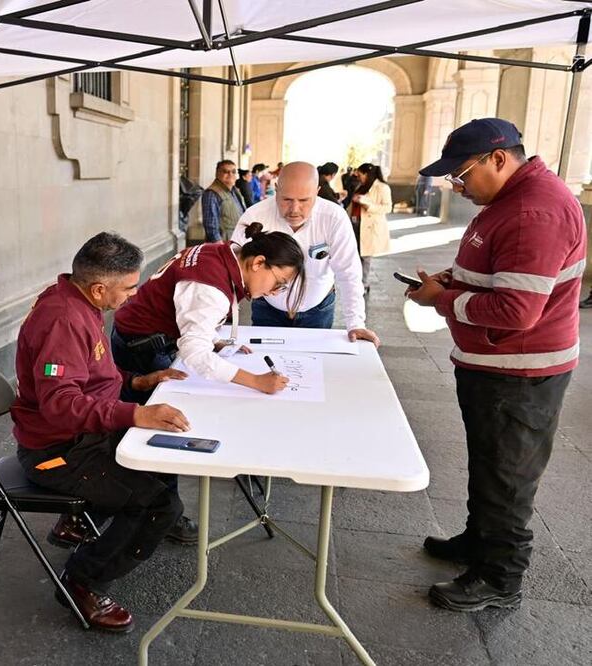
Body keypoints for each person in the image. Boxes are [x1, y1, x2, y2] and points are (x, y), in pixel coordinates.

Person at [407, 118, 585, 612]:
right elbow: (496, 272)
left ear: (499, 159)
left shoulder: (535, 212)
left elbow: (516, 311)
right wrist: (450, 279)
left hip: (521, 373)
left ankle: (500, 576)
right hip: (495, 367)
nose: (457, 187)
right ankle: (479, 541)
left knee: (507, 474)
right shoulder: (508, 200)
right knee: (490, 462)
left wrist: (444, 300)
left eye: (461, 175)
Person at [12, 232, 192, 632]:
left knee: (162, 463)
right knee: (160, 506)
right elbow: (61, 405)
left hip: (82, 435)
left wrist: (140, 382)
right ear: (98, 288)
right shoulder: (63, 319)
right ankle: (81, 582)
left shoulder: (78, 302)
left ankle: (79, 520)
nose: (133, 295)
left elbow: (93, 379)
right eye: (129, 287)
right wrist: (135, 415)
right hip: (57, 451)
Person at [111, 223, 304, 399]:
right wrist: (256, 381)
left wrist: (213, 340)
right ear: (258, 263)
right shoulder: (211, 288)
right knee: (147, 413)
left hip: (144, 332)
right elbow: (194, 352)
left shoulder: (220, 253)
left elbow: (192, 309)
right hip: (141, 346)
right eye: (279, 283)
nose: (274, 292)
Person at [230, 162, 380, 345]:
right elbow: (232, 267)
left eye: (304, 201)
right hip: (268, 308)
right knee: (263, 363)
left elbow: (348, 272)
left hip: (318, 310)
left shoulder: (334, 218)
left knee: (314, 365)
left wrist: (355, 323)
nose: (294, 209)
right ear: (276, 189)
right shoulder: (254, 216)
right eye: (286, 199)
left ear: (317, 192)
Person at [350, 163, 392, 289]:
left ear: (367, 174)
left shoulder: (382, 187)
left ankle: (363, 282)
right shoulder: (362, 186)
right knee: (355, 254)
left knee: (365, 256)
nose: (358, 177)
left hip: (368, 226)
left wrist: (367, 205)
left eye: (360, 174)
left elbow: (387, 207)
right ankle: (357, 281)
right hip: (355, 223)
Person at [201, 159, 247, 243]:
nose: (230, 174)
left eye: (233, 172)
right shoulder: (212, 193)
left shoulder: (234, 190)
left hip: (236, 240)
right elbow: (211, 226)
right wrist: (220, 246)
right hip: (223, 244)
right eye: (226, 171)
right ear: (217, 173)